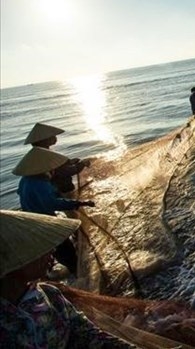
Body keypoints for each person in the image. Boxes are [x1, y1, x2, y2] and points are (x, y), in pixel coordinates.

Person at [0, 209, 135, 348]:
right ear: (11, 262)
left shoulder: (50, 295)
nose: (51, 250)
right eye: (37, 249)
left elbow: (85, 332)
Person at [13, 146, 95, 274]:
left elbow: (22, 193)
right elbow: (53, 203)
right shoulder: (41, 184)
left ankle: (61, 270)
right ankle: (79, 276)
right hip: (44, 222)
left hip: (31, 220)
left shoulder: (25, 180)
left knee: (53, 249)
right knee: (65, 250)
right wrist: (79, 203)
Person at [25, 122, 90, 194]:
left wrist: (69, 162)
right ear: (44, 140)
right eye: (51, 136)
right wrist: (82, 164)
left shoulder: (34, 156)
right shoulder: (46, 156)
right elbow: (66, 171)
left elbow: (57, 167)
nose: (55, 137)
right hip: (57, 190)